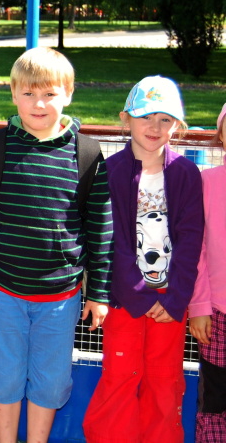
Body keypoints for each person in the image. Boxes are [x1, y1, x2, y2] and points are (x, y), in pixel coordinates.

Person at [0, 47, 113, 443]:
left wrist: (98, 293)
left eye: (49, 93)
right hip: (1, 291)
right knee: (2, 376)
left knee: (50, 380)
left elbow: (100, 227)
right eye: (28, 93)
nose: (38, 103)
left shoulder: (87, 153)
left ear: (68, 94)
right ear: (14, 94)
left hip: (60, 298)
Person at [83, 76, 204, 443]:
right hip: (125, 299)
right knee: (121, 374)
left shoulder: (186, 173)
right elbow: (110, 240)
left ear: (177, 125)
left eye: (165, 119)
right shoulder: (110, 171)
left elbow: (191, 240)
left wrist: (175, 298)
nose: (154, 127)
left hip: (170, 300)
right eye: (145, 117)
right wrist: (139, 295)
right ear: (125, 119)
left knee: (165, 381)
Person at [190, 103, 226, 441]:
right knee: (215, 400)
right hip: (218, 313)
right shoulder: (208, 182)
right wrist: (199, 306)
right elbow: (196, 250)